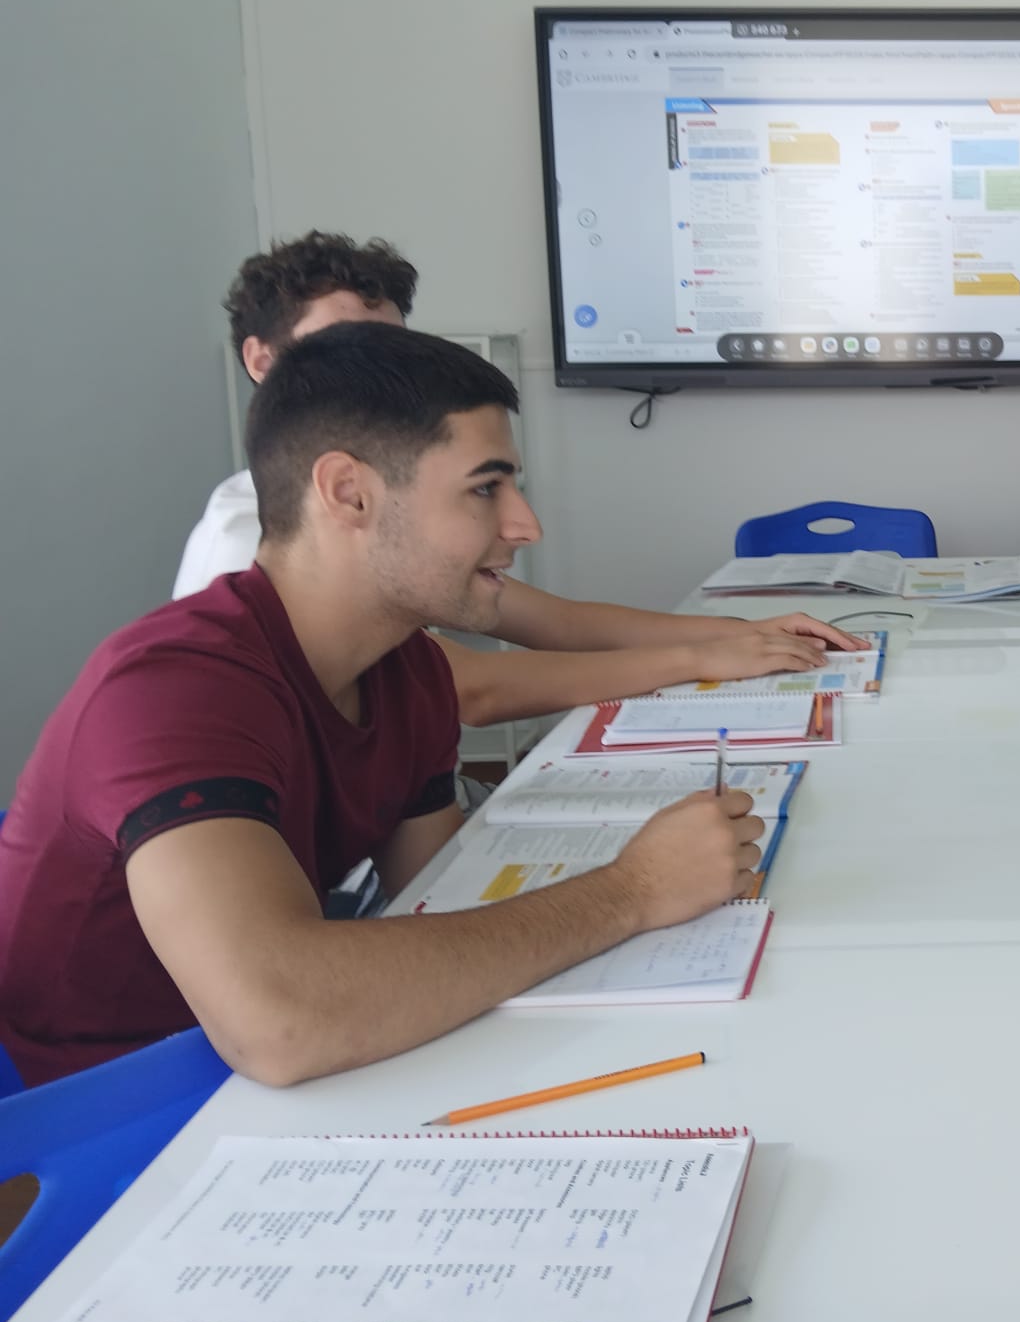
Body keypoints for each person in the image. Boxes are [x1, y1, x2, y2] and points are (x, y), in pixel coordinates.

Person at [0, 325, 765, 1089]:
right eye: (484, 487)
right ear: (349, 493)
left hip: (293, 1073)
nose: (523, 524)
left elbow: (437, 898)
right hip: (110, 1115)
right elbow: (282, 1020)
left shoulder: (408, 670)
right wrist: (632, 892)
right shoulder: (172, 690)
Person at [174, 231, 860, 726]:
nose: (382, 378)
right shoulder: (248, 544)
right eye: (343, 349)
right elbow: (470, 690)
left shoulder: (404, 530)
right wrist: (697, 658)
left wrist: (739, 633)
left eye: (396, 349)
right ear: (262, 361)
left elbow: (556, 621)